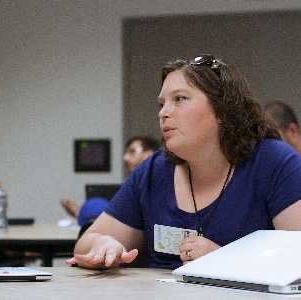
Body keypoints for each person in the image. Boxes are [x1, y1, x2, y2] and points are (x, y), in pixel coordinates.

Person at [66, 54, 301, 270]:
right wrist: (102, 244)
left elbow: (296, 258)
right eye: (162, 103)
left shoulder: (274, 162)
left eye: (179, 99)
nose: (163, 113)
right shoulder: (153, 171)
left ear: (223, 111)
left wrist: (226, 260)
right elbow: (85, 243)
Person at [60, 136, 160, 219]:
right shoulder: (132, 186)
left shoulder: (162, 184)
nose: (125, 158)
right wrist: (83, 216)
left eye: (132, 151)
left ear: (149, 154)